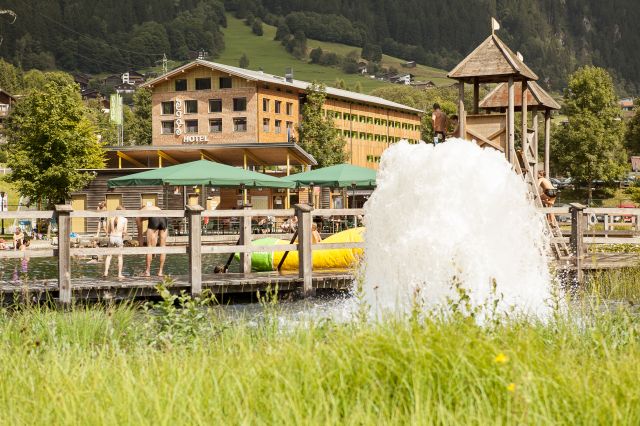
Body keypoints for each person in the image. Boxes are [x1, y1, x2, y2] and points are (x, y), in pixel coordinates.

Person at [137, 203, 168, 277]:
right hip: (164, 217)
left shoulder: (138, 214)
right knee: (163, 246)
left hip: (154, 218)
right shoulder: (154, 207)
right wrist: (154, 252)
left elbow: (140, 234)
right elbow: (155, 233)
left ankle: (147, 272)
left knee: (149, 247)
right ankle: (160, 272)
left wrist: (140, 248)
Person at [104, 205, 128, 280]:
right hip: (119, 238)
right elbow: (125, 232)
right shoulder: (124, 219)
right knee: (120, 256)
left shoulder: (111, 219)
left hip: (111, 237)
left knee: (109, 256)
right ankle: (119, 274)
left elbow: (108, 231)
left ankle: (105, 272)